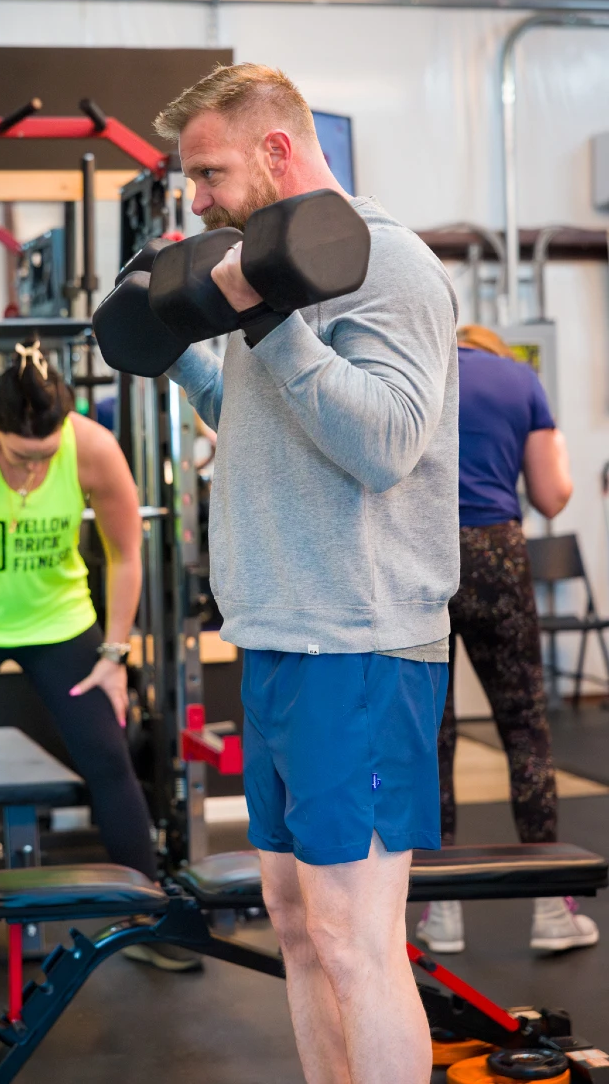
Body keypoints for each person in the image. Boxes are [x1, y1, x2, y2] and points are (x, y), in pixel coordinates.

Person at [153, 63, 459, 1084]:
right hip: (279, 634)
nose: (196, 199)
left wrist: (261, 321)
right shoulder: (265, 274)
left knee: (353, 938)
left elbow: (381, 443)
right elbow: (271, 424)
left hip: (360, 641)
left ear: (275, 150)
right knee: (292, 923)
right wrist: (188, 357)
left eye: (209, 171)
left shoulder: (386, 266)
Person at [0, 341, 194, 992]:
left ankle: (143, 919)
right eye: (19, 454)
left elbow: (124, 554)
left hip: (58, 620)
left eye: (45, 454)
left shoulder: (91, 446)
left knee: (110, 758)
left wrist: (116, 654)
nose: (33, 467)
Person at [416, 324, 599, 957]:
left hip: (422, 555)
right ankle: (551, 907)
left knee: (430, 736)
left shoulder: (418, 369)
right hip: (497, 551)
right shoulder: (521, 380)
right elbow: (551, 497)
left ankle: (440, 909)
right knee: (524, 727)